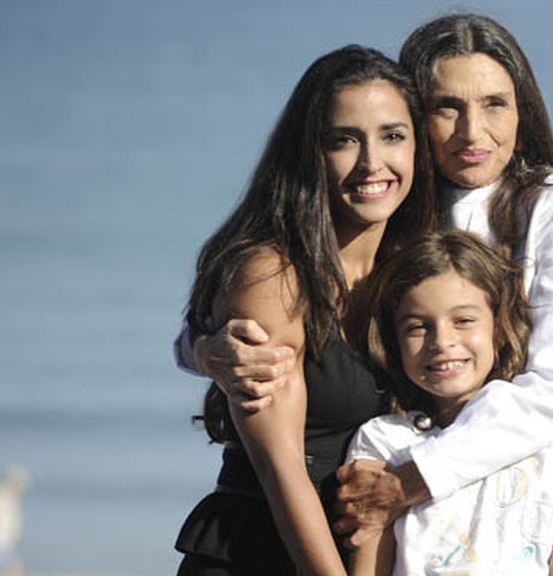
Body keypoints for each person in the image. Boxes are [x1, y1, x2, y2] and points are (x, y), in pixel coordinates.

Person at [178, 13, 553, 574]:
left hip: (525, 529)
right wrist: (204, 348)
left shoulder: (548, 207)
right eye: (447, 107)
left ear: (524, 111)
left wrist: (406, 484)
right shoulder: (401, 231)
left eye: (495, 103)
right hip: (346, 544)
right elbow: (266, 359)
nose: (473, 132)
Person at [172, 45, 436, 576]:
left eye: (392, 136)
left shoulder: (416, 269)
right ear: (309, 153)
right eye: (344, 140)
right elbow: (280, 467)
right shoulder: (272, 275)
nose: (371, 163)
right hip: (266, 555)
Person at [347, 230, 553, 575]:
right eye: (418, 327)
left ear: (499, 326)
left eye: (464, 320)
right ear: (394, 339)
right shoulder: (384, 442)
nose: (442, 341)